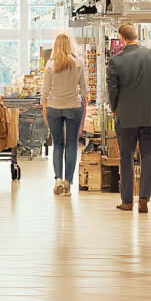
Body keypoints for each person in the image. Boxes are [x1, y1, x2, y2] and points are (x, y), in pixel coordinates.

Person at [105, 22, 151, 213]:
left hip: (125, 116)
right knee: (149, 155)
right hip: (149, 114)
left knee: (126, 156)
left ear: (121, 39)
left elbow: (112, 89)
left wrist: (114, 108)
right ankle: (143, 198)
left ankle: (127, 200)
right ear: (137, 36)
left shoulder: (115, 61)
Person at [43, 32, 88, 196]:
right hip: (74, 106)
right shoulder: (79, 63)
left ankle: (58, 180)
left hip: (54, 107)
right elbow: (84, 90)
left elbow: (45, 91)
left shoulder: (50, 65)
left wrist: (44, 106)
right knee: (71, 145)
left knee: (58, 144)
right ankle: (68, 183)